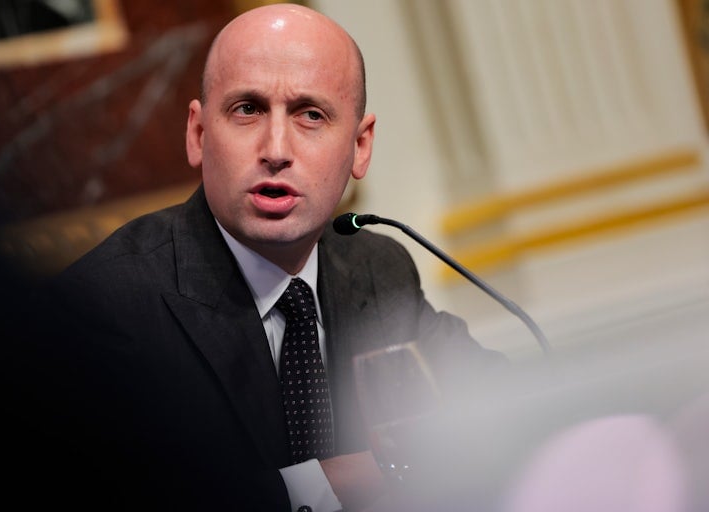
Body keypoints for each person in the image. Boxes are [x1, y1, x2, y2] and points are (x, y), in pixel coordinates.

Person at [31, 3, 506, 511]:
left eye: (311, 115)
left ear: (360, 146)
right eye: (248, 109)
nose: (276, 149)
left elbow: (500, 404)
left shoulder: (375, 266)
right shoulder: (104, 309)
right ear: (198, 134)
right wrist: (332, 483)